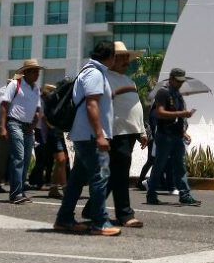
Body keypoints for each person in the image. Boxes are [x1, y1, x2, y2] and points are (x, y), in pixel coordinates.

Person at [54, 40, 119, 236]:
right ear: (110, 57)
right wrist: (100, 135)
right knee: (100, 177)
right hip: (91, 136)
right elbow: (92, 105)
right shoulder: (94, 73)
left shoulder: (90, 72)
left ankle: (64, 219)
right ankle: (100, 222)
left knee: (77, 180)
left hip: (84, 135)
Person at [82, 42, 147, 227]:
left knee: (113, 175)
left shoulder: (129, 80)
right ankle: (125, 214)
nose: (126, 61)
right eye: (122, 57)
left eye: (127, 57)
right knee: (120, 175)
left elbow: (136, 107)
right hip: (116, 132)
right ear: (112, 60)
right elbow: (101, 103)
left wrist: (142, 130)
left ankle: (91, 208)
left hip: (131, 132)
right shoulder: (104, 77)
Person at [146, 68, 201, 207]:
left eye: (181, 81)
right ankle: (151, 194)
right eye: (178, 81)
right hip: (165, 135)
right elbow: (160, 112)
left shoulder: (178, 95)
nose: (180, 84)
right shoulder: (163, 92)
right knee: (159, 165)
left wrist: (183, 132)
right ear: (171, 79)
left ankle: (185, 195)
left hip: (176, 136)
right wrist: (181, 113)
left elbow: (179, 118)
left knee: (180, 166)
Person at [0, 59, 44, 205]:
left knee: (25, 159)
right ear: (26, 72)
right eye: (34, 71)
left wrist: (34, 125)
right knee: (18, 157)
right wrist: (3, 127)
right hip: (15, 123)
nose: (37, 74)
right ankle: (15, 193)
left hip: (28, 127)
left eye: (38, 71)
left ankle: (21, 190)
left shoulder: (36, 88)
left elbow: (37, 110)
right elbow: (5, 105)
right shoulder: (15, 84)